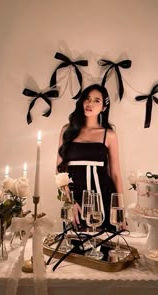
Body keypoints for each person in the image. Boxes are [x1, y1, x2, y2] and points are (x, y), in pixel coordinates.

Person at [56, 84, 123, 231]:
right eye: (87, 99)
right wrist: (70, 202)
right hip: (76, 201)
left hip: (104, 197)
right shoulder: (67, 131)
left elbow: (116, 174)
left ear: (103, 108)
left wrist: (120, 210)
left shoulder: (109, 134)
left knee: (105, 249)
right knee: (75, 248)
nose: (90, 103)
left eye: (96, 100)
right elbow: (59, 172)